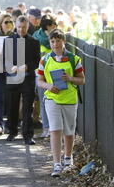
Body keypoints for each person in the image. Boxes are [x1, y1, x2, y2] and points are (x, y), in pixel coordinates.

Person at [36, 29, 85, 177]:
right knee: (55, 129)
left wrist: (70, 78)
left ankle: (68, 159)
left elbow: (82, 80)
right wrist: (49, 86)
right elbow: (39, 81)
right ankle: (56, 163)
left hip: (69, 99)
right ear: (49, 43)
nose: (55, 44)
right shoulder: (44, 60)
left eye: (58, 40)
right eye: (52, 41)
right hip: (52, 99)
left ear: (63, 42)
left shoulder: (74, 59)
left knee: (69, 131)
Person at [4, 16, 40, 145]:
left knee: (27, 108)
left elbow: (37, 61)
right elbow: (3, 60)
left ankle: (28, 135)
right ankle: (12, 132)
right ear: (15, 26)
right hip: (12, 78)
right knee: (12, 107)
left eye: (24, 27)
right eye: (19, 27)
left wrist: (27, 66)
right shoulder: (8, 41)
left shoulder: (34, 42)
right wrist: (10, 67)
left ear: (28, 26)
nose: (21, 30)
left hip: (27, 78)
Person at [33, 15, 57, 138]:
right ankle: (46, 128)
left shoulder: (56, 38)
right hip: (41, 75)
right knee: (44, 101)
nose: (56, 26)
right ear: (48, 26)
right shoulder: (37, 39)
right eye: (54, 24)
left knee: (53, 102)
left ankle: (53, 129)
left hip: (53, 74)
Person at [0, 14, 14, 134]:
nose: (8, 24)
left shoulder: (15, 36)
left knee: (10, 99)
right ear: (1, 24)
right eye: (6, 22)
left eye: (10, 22)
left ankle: (10, 125)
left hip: (12, 71)